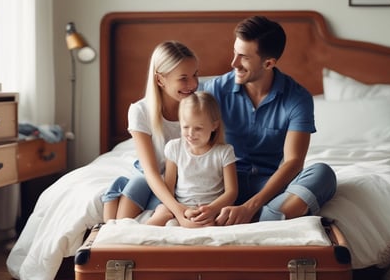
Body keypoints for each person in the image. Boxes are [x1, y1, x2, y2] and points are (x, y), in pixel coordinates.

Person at [199, 15, 337, 226]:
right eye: (235, 52)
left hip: (268, 185)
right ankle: (271, 218)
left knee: (323, 173)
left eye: (243, 57)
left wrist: (250, 207)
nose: (233, 63)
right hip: (222, 184)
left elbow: (293, 162)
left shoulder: (297, 98)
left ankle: (256, 217)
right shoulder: (214, 90)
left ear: (269, 63)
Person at [101, 41, 202, 228]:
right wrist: (178, 209)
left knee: (166, 209)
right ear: (160, 80)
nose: (194, 84)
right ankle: (117, 235)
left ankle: (156, 218)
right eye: (183, 78)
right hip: (150, 174)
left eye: (195, 74)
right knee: (136, 186)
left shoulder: (199, 108)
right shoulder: (140, 111)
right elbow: (151, 172)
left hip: (184, 176)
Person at [146, 91, 238, 226]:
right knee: (162, 212)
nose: (190, 134)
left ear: (214, 125)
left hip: (212, 207)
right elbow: (169, 189)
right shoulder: (174, 148)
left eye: (198, 128)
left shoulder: (224, 152)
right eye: (185, 127)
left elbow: (232, 192)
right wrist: (181, 210)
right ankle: (139, 237)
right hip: (180, 206)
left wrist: (211, 209)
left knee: (216, 220)